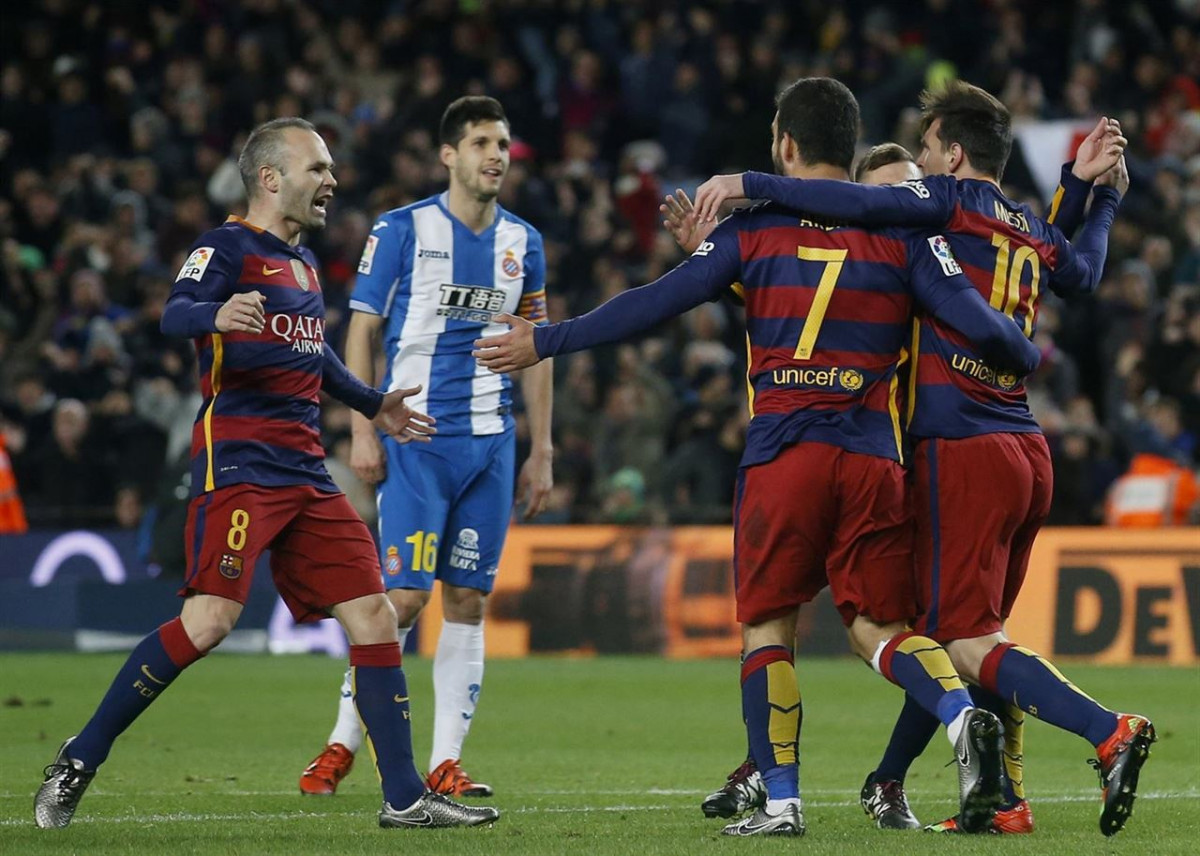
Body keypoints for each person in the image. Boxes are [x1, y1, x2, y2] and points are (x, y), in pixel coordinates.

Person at [475, 77, 1044, 837]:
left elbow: (655, 302)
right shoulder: (903, 235)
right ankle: (960, 712)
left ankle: (781, 801)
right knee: (879, 627)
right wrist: (1024, 348)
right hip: (875, 459)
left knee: (769, 628)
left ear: (784, 144)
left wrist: (547, 338)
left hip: (785, 453)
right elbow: (972, 322)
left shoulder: (754, 231)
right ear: (850, 146)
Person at [695, 80, 1153, 838]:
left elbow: (838, 217)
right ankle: (995, 798)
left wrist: (746, 185)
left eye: (928, 151)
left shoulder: (929, 220)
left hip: (950, 450)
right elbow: (1074, 265)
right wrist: (1094, 193)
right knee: (970, 635)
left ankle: (1105, 733)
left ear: (953, 155)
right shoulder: (1011, 225)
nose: (915, 178)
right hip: (1022, 445)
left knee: (960, 640)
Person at [34, 117, 498, 831]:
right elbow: (174, 314)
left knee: (375, 615)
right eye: (318, 168)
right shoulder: (224, 248)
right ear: (272, 178)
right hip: (241, 463)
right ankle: (81, 755)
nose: (332, 181)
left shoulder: (303, 265)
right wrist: (216, 311)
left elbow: (316, 354)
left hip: (306, 470)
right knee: (209, 622)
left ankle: (405, 797)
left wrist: (373, 403)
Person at [298, 96, 553, 800]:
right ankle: (341, 743)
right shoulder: (402, 229)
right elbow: (361, 329)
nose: (495, 155)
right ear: (449, 155)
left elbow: (537, 347)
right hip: (416, 438)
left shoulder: (524, 242)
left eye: (502, 143)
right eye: (481, 143)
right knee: (405, 600)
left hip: (491, 444)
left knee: (467, 599)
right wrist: (362, 426)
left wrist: (542, 449)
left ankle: (445, 762)